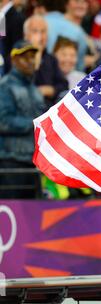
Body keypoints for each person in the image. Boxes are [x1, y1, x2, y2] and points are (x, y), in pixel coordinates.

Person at [0, 40, 45, 198]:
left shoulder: (35, 90)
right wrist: (34, 124)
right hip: (11, 162)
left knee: (35, 217)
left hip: (34, 162)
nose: (31, 61)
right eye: (25, 57)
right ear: (14, 60)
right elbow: (3, 122)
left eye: (33, 57)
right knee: (11, 214)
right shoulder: (5, 86)